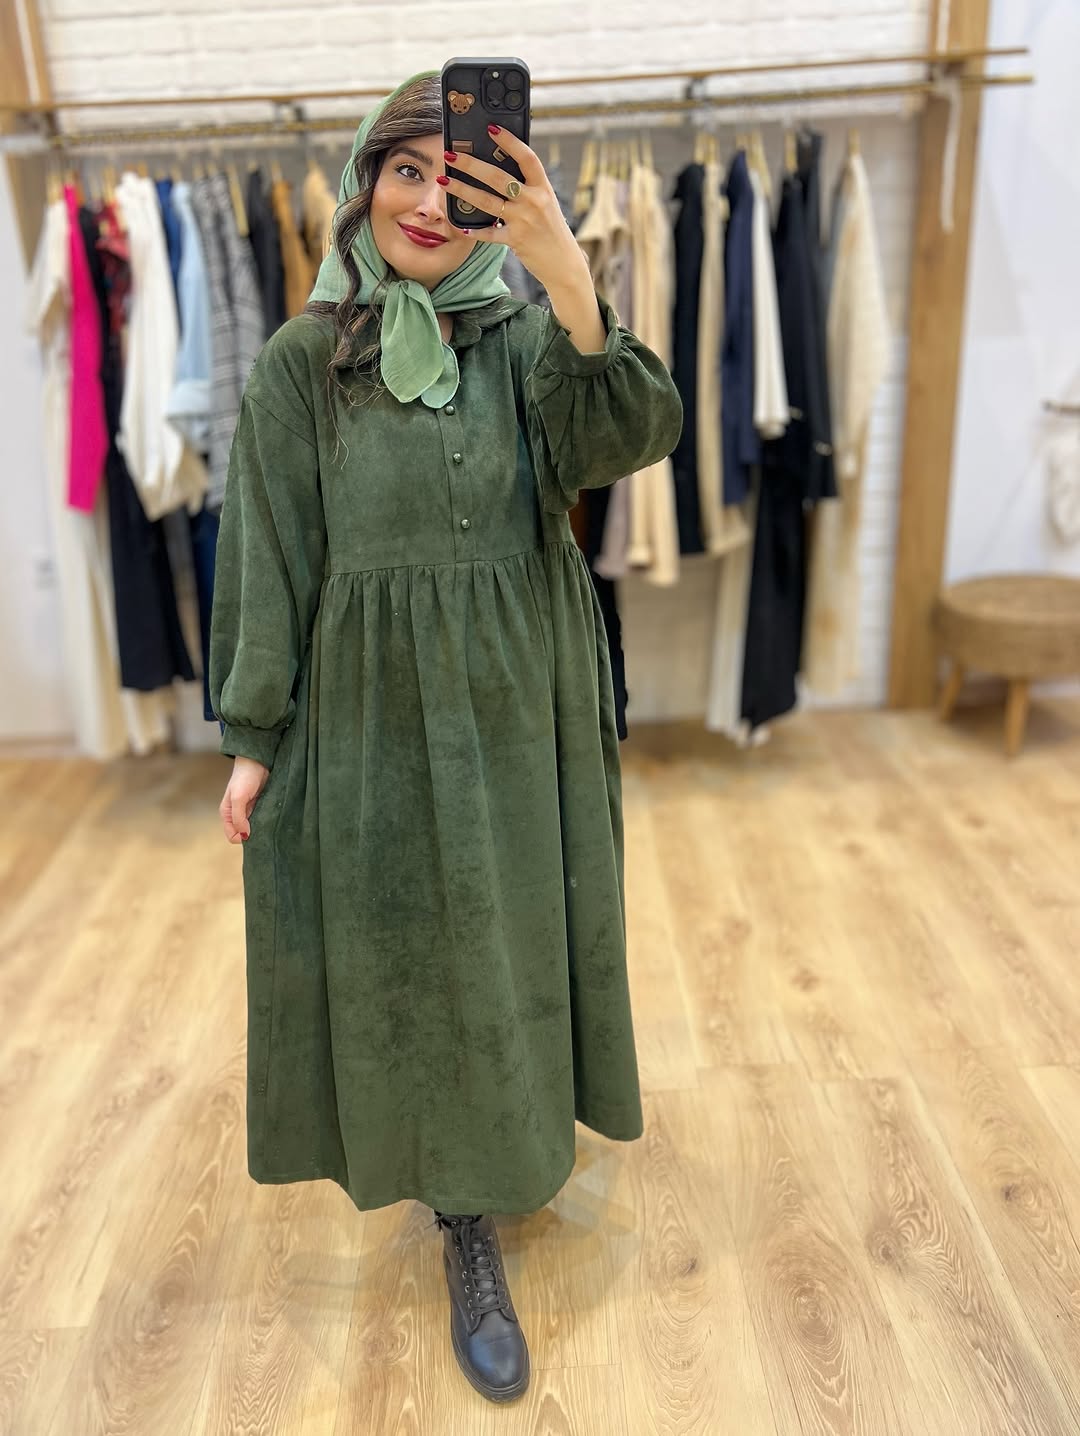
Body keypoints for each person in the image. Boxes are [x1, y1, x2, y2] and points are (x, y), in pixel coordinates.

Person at [209, 69, 682, 1404]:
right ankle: (456, 1209)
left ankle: (502, 1159)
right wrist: (254, 735)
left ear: (498, 195)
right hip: (372, 709)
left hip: (522, 699)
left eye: (457, 176)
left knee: (511, 934)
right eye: (402, 170)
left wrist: (567, 275)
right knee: (404, 946)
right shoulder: (304, 363)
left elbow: (633, 434)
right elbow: (269, 555)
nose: (426, 202)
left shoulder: (530, 343)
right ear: (364, 183)